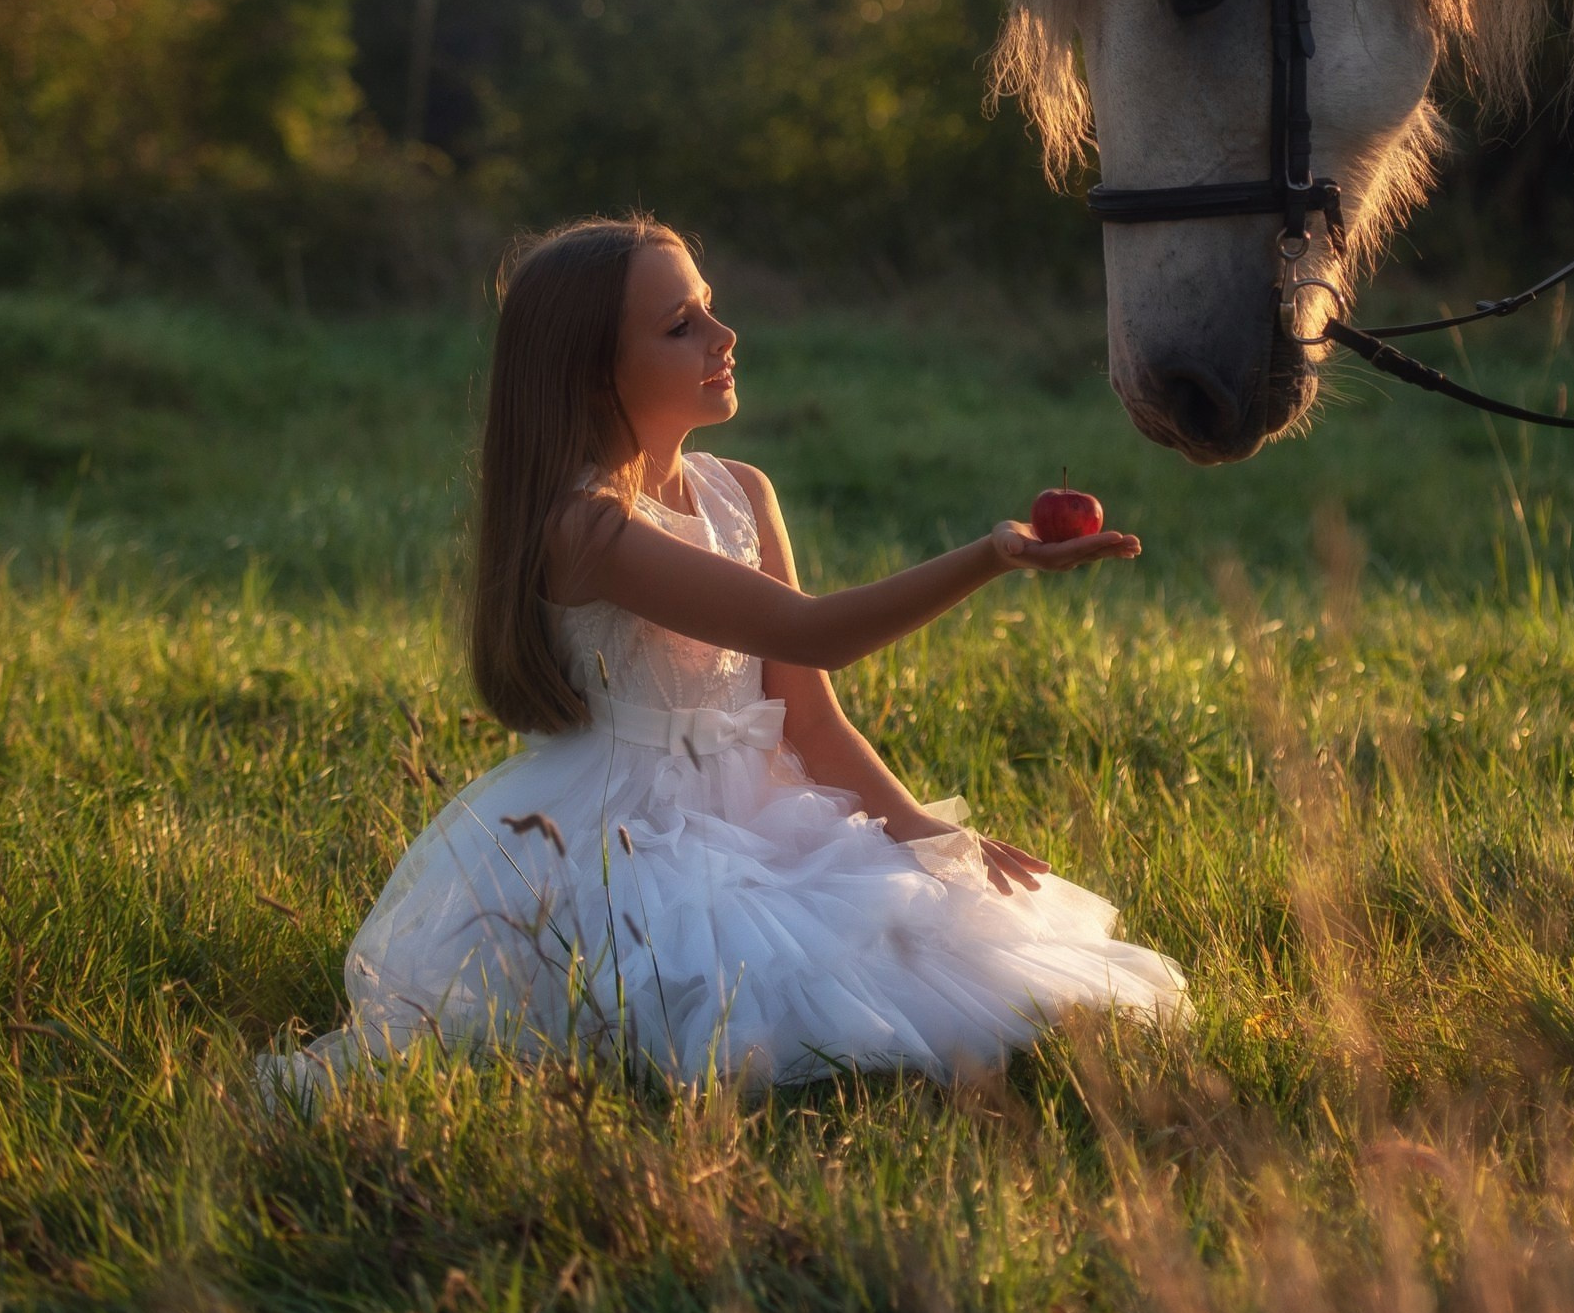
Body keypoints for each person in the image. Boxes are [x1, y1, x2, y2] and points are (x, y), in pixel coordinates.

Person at [266, 215, 1185, 1098]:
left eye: (709, 304)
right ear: (594, 376)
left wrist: (930, 836)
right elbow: (816, 629)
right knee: (742, 992)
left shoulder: (742, 489)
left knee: (944, 944)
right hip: (626, 835)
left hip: (764, 808)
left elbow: (811, 719)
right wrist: (993, 555)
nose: (724, 332)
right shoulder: (587, 529)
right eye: (681, 324)